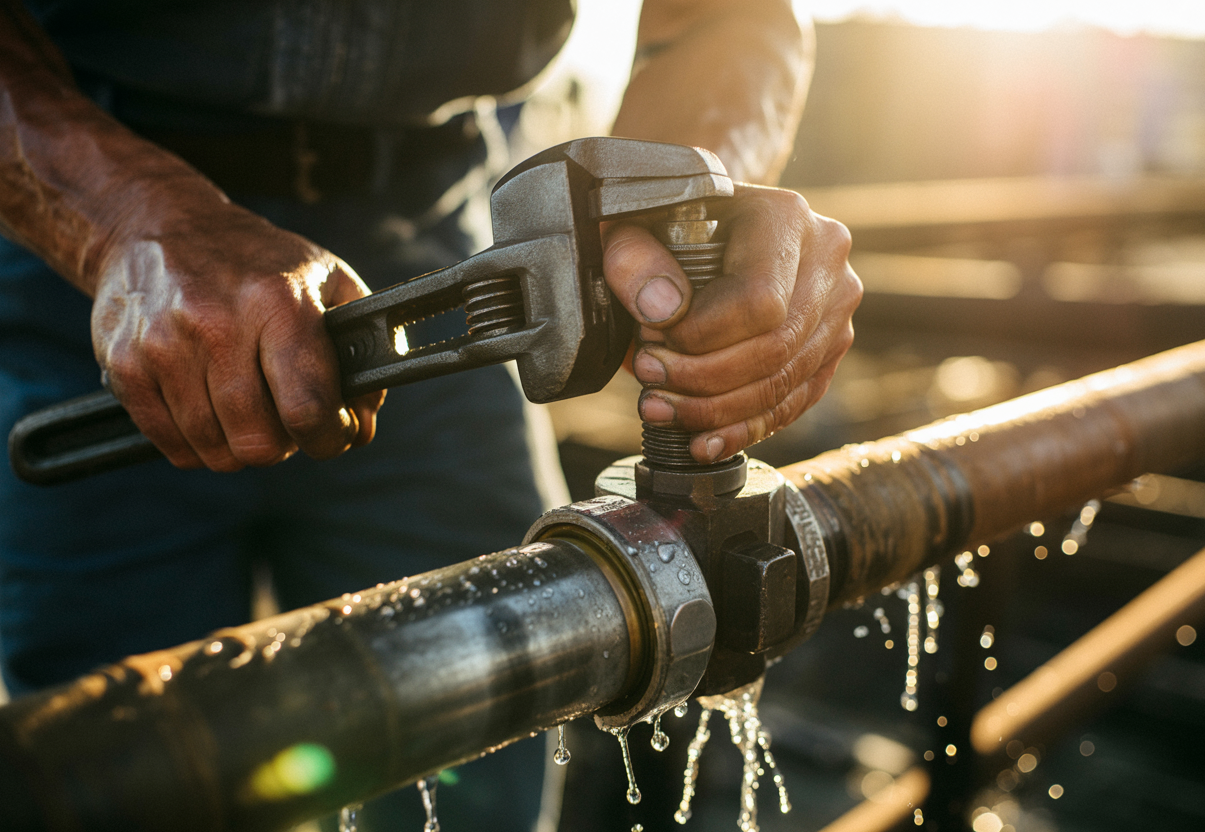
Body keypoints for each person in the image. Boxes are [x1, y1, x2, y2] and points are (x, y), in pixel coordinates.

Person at [0, 0, 861, 828]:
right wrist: (119, 216)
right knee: (109, 774)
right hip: (84, 246)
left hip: (438, 240)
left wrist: (678, 201)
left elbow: (727, 12)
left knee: (487, 763)